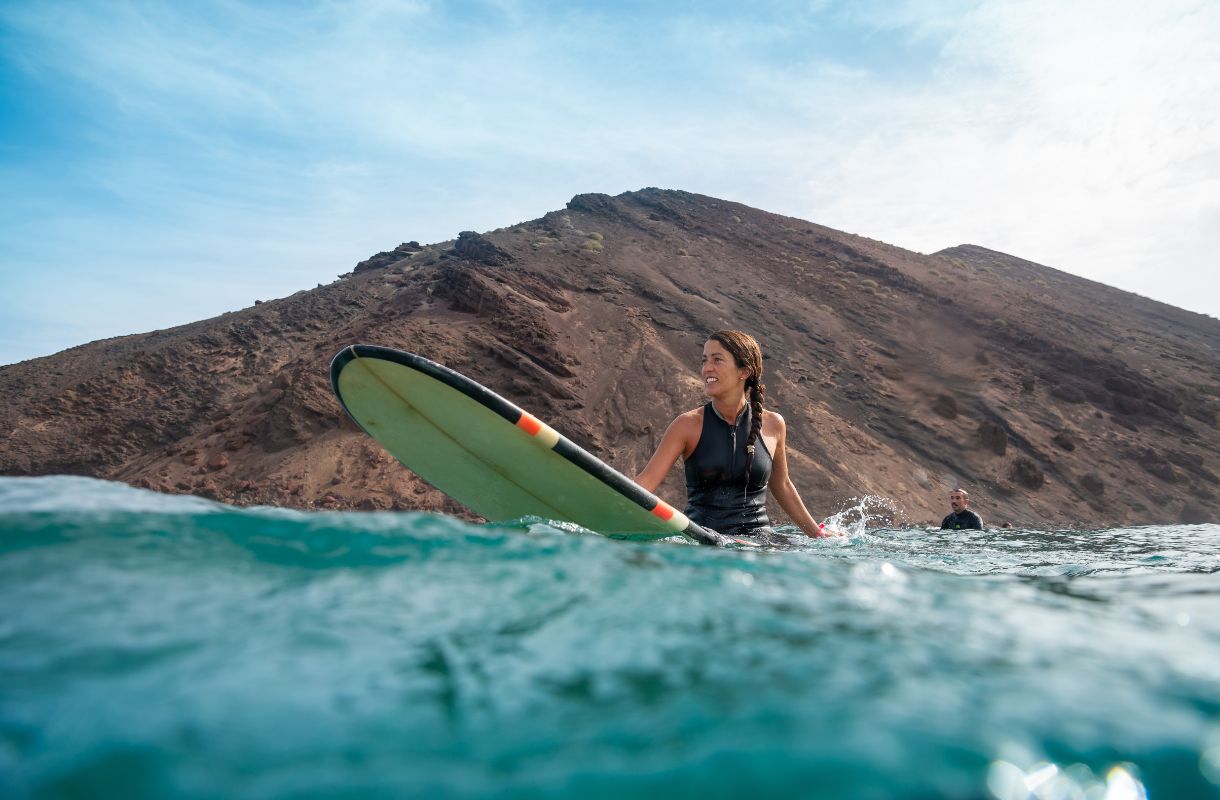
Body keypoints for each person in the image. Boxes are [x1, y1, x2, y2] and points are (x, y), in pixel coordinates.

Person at [635, 330, 829, 539]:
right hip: (703, 539)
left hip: (759, 542)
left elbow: (782, 485)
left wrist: (818, 534)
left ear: (743, 372)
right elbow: (646, 483)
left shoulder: (773, 424)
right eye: (705, 360)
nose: (707, 368)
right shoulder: (687, 425)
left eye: (717, 360)